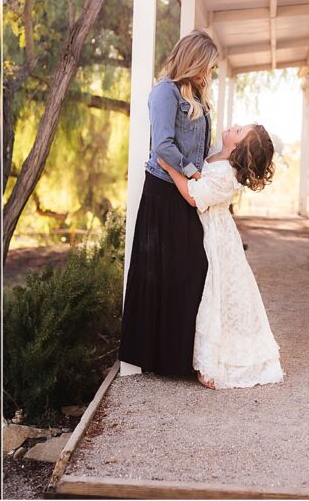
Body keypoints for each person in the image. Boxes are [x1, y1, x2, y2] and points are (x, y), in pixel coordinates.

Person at [118, 30, 219, 378]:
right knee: (163, 273)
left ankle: (179, 358)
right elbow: (162, 145)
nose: (210, 72)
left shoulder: (198, 96)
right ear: (193, 59)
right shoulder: (165, 92)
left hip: (186, 189)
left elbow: (201, 147)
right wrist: (192, 174)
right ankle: (159, 360)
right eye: (207, 65)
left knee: (192, 270)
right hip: (163, 191)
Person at [159, 123, 285, 390]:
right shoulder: (215, 155)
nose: (234, 126)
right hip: (209, 230)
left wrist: (170, 167)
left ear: (236, 147)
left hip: (216, 236)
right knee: (216, 294)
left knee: (218, 294)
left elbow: (195, 197)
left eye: (239, 130)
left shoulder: (227, 174)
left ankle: (215, 363)